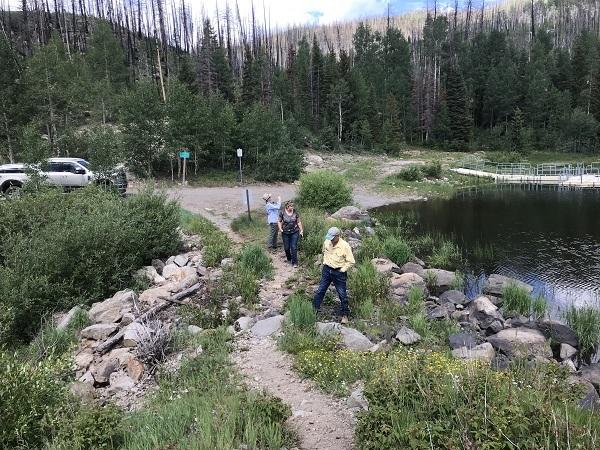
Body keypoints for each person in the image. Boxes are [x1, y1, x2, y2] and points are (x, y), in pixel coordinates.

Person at [312, 227, 355, 324]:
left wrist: (342, 270)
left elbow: (351, 261)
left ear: (337, 236)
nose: (330, 239)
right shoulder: (327, 242)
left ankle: (345, 315)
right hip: (327, 270)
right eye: (329, 237)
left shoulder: (345, 246)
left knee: (342, 294)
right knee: (320, 290)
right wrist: (324, 263)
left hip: (338, 272)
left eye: (332, 237)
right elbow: (324, 252)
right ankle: (313, 310)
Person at [278, 201, 303, 267]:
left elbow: (299, 222)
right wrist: (280, 229)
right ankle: (289, 258)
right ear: (287, 206)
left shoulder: (295, 212)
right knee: (286, 248)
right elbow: (279, 221)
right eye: (291, 206)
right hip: (285, 232)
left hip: (295, 231)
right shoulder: (282, 212)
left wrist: (301, 230)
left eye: (293, 206)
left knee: (294, 247)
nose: (292, 207)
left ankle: (295, 262)